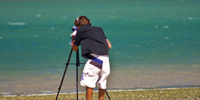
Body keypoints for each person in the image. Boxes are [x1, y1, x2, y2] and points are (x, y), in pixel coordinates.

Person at [71, 16, 111, 100]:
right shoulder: (99, 29)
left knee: (89, 82)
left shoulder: (80, 30)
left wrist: (74, 38)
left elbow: (75, 48)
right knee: (102, 82)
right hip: (105, 59)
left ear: (78, 25)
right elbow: (109, 45)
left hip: (95, 59)